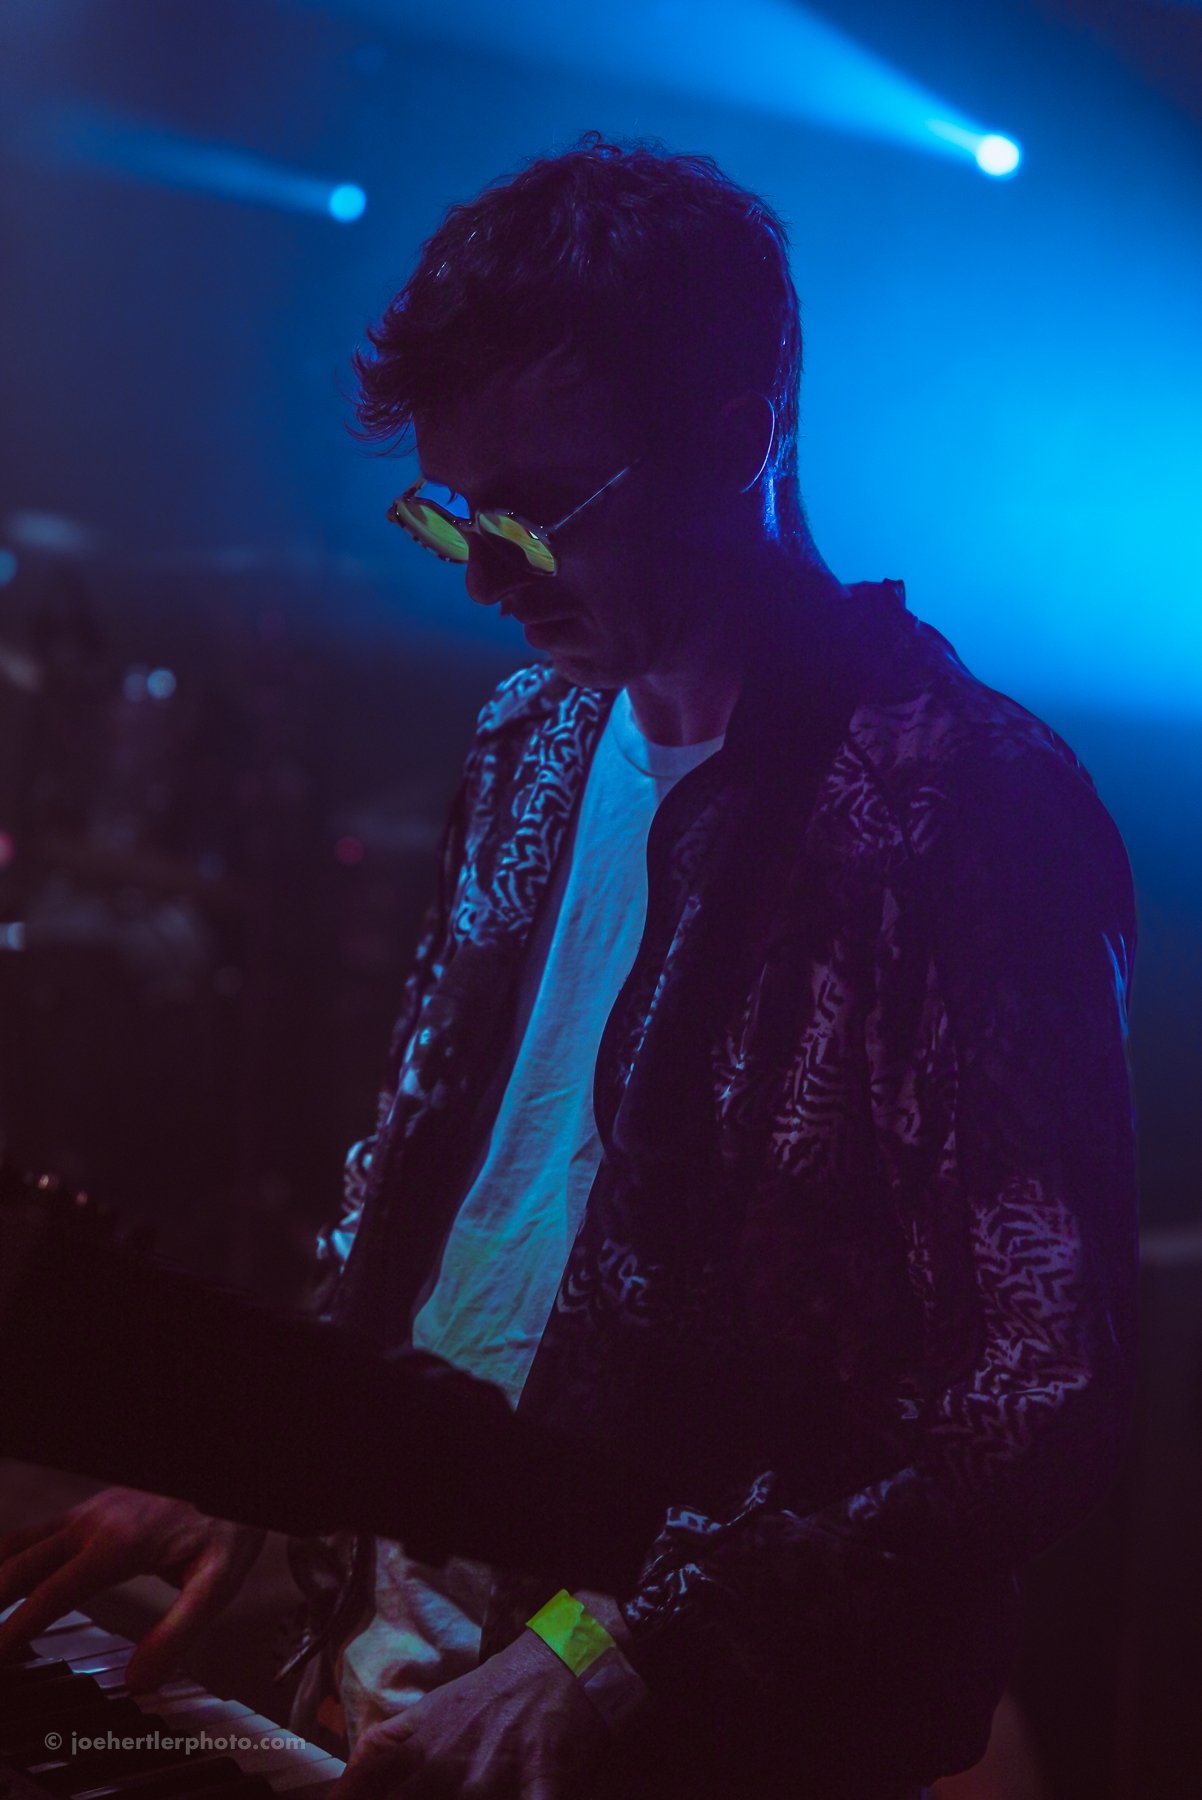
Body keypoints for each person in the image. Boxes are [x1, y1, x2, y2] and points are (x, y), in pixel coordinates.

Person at [0, 133, 1138, 1800]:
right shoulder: (532, 736)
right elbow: (450, 1197)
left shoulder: (956, 802)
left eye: (532, 515)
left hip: (671, 1728)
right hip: (397, 1642)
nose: (475, 571)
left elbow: (1029, 1411)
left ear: (738, 441)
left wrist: (611, 1655)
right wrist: (258, 1467)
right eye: (450, 510)